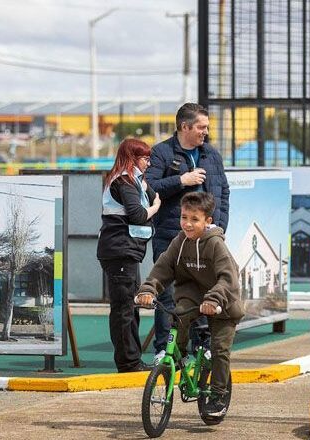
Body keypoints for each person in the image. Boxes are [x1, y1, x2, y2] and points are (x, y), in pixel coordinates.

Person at [136, 192, 243, 417]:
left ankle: (218, 395)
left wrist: (213, 299)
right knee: (179, 314)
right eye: (184, 217)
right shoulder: (180, 242)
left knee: (220, 349)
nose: (187, 224)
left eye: (195, 219)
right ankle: (179, 355)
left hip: (223, 301)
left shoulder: (215, 245)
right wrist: (148, 289)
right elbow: (163, 268)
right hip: (193, 295)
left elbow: (228, 278)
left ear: (208, 221)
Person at [145, 103, 230, 364]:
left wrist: (219, 227)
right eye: (201, 127)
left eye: (207, 127)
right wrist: (182, 180)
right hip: (170, 236)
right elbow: (149, 187)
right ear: (185, 126)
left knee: (205, 290)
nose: (206, 132)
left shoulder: (211, 155)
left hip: (207, 238)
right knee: (168, 293)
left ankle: (202, 345)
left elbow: (224, 192)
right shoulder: (161, 152)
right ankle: (165, 350)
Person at [97, 138, 161, 373]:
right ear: (133, 158)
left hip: (125, 251)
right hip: (120, 251)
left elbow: (152, 196)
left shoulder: (133, 180)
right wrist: (155, 208)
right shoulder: (124, 181)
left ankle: (132, 360)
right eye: (145, 158)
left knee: (130, 307)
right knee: (124, 308)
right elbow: (138, 215)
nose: (148, 163)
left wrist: (147, 189)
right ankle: (128, 362)